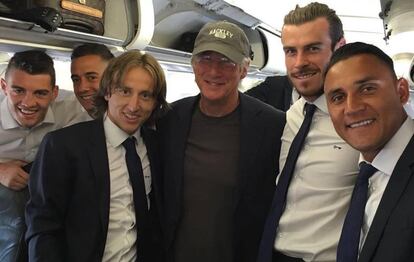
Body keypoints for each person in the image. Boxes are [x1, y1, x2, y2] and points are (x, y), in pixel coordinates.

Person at [157, 20, 286, 262]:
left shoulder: (272, 125)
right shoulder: (170, 118)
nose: (214, 71)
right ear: (194, 65)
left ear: (244, 69)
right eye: (205, 59)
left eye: (226, 61)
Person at [25, 50, 168, 262]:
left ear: (156, 102)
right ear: (108, 91)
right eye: (125, 91)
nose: (133, 106)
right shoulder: (63, 145)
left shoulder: (158, 146)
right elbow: (43, 228)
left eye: (145, 95)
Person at [256, 3, 360, 262]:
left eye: (313, 49)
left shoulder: (361, 120)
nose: (300, 63)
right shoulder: (293, 115)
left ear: (340, 47)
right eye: (291, 51)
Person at [324, 42, 414, 262]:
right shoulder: (365, 171)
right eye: (338, 97)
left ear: (401, 91)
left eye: (367, 89)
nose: (352, 107)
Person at [0, 50, 86, 261]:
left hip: (44, 187)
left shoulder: (72, 109)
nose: (28, 103)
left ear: (54, 93)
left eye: (40, 93)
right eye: (18, 91)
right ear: (3, 87)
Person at [70, 43, 114, 118]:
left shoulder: (137, 124)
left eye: (92, 78)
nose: (82, 88)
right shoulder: (74, 128)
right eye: (76, 80)